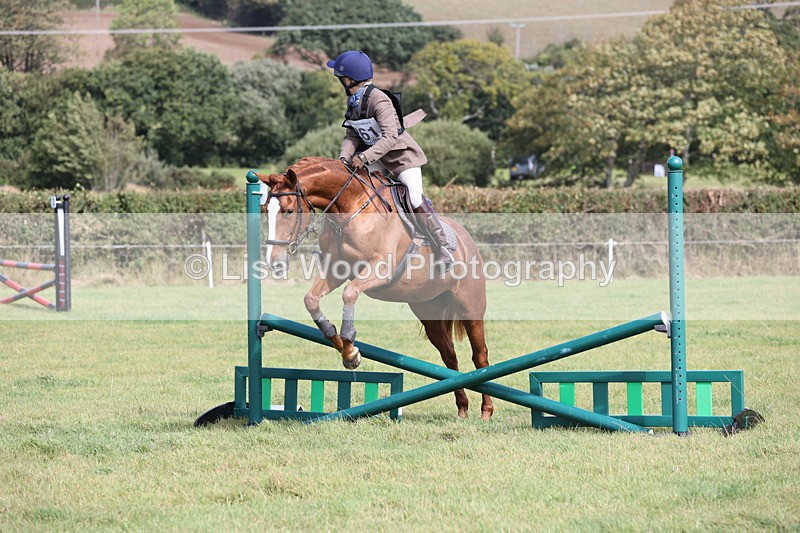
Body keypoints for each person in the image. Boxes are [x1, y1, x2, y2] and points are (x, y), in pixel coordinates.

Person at [327, 50, 454, 270]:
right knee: (355, 189)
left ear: (348, 80)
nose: (340, 81)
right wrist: (343, 159)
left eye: (341, 78)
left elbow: (390, 137)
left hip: (402, 157)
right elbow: (352, 134)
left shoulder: (379, 99)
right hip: (378, 159)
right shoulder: (354, 101)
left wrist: (364, 156)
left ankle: (442, 246)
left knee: (414, 198)